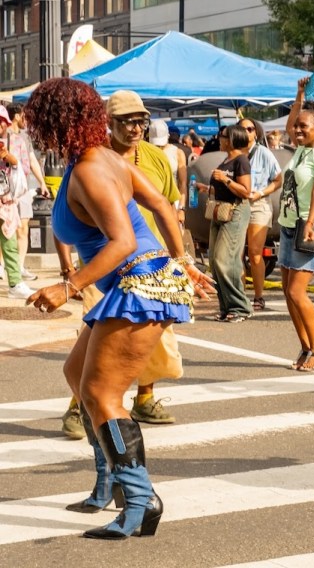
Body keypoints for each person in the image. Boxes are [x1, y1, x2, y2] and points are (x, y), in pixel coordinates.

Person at [24, 78, 213, 539]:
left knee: (102, 397)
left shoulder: (93, 167)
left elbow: (124, 240)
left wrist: (67, 286)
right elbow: (164, 209)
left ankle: (141, 499)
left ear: (58, 123)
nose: (35, 131)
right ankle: (108, 479)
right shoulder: (103, 159)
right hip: (138, 281)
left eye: (40, 122)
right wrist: (182, 262)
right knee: (78, 376)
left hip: (139, 285)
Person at [61, 89, 185, 437]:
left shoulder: (148, 159)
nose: (135, 128)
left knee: (105, 386)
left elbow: (165, 207)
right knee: (84, 375)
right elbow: (68, 223)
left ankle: (134, 486)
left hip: (140, 275)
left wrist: (182, 260)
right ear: (107, 124)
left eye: (140, 121)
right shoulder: (96, 160)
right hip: (105, 273)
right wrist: (70, 273)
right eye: (126, 121)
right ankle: (89, 426)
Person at [278, 77, 314, 371]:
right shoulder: (301, 149)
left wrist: (311, 222)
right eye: (297, 126)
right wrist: (299, 94)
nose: (297, 130)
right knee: (288, 292)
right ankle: (304, 347)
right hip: (289, 225)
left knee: (297, 292)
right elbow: (290, 124)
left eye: (304, 126)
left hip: (308, 226)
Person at [198, 125, 253, 322]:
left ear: (230, 139)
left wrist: (226, 180)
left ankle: (240, 307)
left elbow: (246, 191)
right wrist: (207, 188)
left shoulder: (241, 161)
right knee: (214, 260)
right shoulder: (226, 159)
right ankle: (226, 307)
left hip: (235, 211)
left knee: (225, 260)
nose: (218, 139)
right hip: (220, 211)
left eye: (221, 136)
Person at [239, 118, 282, 311]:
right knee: (236, 254)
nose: (246, 132)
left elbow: (278, 180)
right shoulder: (234, 153)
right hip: (238, 205)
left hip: (258, 205)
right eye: (242, 129)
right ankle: (239, 296)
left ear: (256, 132)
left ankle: (258, 296)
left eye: (250, 129)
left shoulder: (264, 153)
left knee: (254, 253)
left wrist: (261, 193)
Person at [6, 103, 49, 281]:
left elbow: (32, 160)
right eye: (24, 115)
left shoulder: (25, 137)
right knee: (6, 229)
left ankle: (20, 266)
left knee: (23, 228)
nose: (26, 120)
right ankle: (4, 267)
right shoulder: (4, 135)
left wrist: (43, 183)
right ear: (16, 116)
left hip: (23, 188)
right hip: (6, 188)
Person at [0, 106, 37, 299]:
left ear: (6, 123)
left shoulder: (15, 141)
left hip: (6, 201)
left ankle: (15, 282)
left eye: (1, 122)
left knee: (10, 241)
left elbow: (22, 167)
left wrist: (6, 155)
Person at [149, 118, 188, 222]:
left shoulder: (178, 153)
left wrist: (181, 208)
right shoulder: (146, 151)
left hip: (173, 201)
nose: (159, 146)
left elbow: (182, 183)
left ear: (168, 136)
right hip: (151, 200)